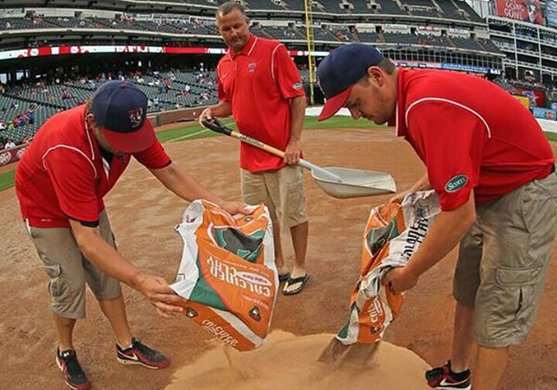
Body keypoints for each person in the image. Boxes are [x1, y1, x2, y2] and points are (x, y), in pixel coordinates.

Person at [316, 43, 556, 390]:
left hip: (523, 196)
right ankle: (458, 374)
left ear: (376, 77)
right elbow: (450, 162)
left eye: (354, 103)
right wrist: (413, 191)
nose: (356, 114)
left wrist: (410, 273)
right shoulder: (415, 95)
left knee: (498, 310)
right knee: (467, 291)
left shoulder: (426, 106)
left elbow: (459, 215)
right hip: (487, 188)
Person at [16, 81, 248, 390]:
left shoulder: (130, 124)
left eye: (134, 137)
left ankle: (126, 346)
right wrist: (140, 280)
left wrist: (220, 205)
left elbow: (169, 170)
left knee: (109, 276)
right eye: (119, 139)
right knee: (69, 283)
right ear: (92, 121)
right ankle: (65, 349)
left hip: (86, 198)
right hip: (46, 210)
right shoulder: (67, 146)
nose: (130, 145)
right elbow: (86, 240)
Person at [199, 1, 310, 295]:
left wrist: (294, 142)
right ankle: (279, 265)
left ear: (248, 23)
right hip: (249, 158)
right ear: (219, 31)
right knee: (262, 218)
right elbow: (228, 105)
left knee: (294, 214)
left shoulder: (274, 51)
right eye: (226, 29)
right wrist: (212, 111)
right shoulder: (223, 65)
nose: (233, 32)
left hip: (282, 156)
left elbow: (298, 98)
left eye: (237, 25)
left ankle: (300, 266)